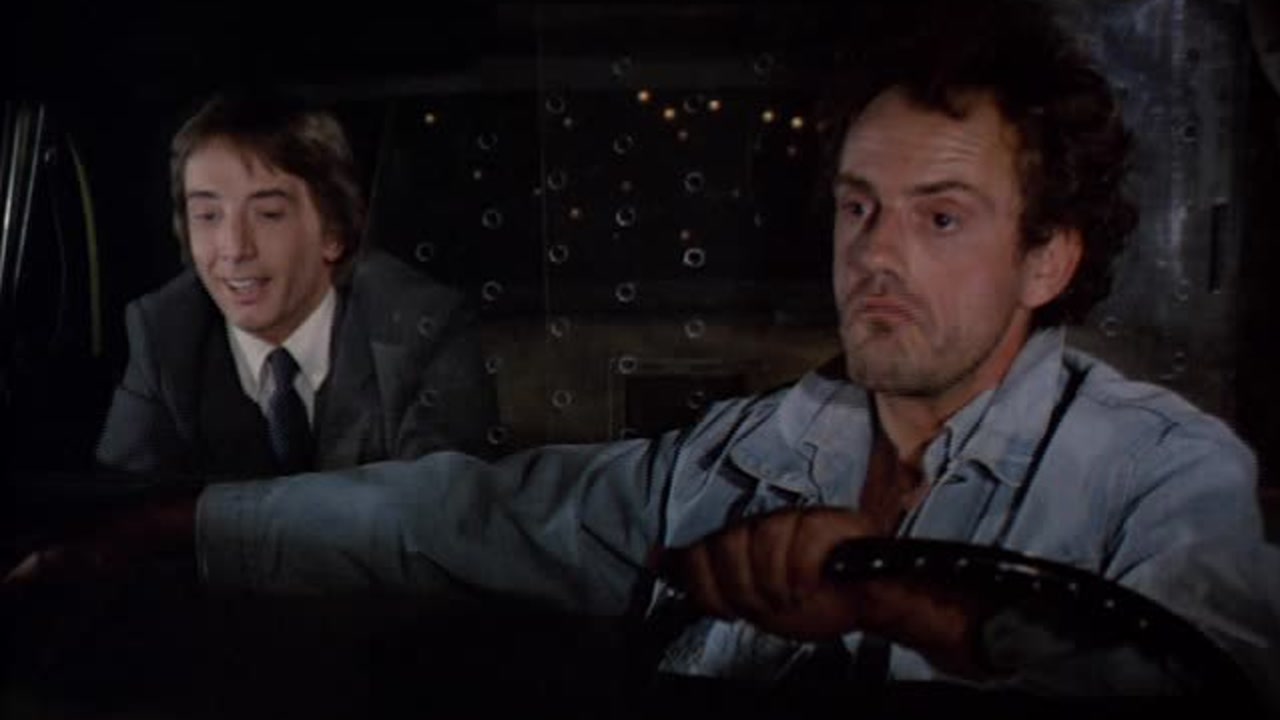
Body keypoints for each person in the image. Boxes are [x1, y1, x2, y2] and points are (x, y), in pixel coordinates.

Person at [9, 0, 1278, 710]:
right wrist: (180, 526)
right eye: (857, 207)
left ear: (1047, 257)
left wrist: (913, 608)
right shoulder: (749, 454)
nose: (875, 256)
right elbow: (459, 515)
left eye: (939, 218)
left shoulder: (1162, 476)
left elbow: (1215, 684)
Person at [94, 92, 498, 477]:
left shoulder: (422, 326)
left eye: (269, 214)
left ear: (333, 232)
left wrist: (211, 513)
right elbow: (126, 508)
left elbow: (437, 508)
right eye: (208, 216)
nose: (234, 249)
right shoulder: (164, 331)